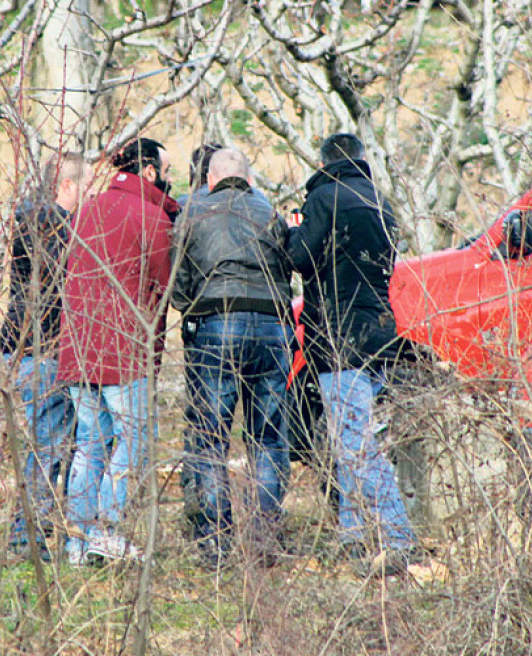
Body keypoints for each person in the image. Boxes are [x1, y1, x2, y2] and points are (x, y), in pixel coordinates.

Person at [286, 133, 418, 576]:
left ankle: (398, 537)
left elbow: (299, 257)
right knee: (351, 437)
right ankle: (353, 536)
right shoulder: (380, 202)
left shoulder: (324, 198)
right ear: (360, 159)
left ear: (325, 163)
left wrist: (292, 228)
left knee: (355, 442)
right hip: (378, 331)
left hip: (338, 336)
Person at [171, 148, 294, 568]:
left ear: (210, 178)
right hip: (273, 327)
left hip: (216, 326)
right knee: (268, 438)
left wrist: (195, 307)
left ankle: (216, 545)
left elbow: (178, 285)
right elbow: (286, 268)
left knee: (210, 441)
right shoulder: (269, 212)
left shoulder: (193, 212)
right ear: (249, 179)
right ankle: (265, 541)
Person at [55, 137, 174, 566]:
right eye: (165, 170)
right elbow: (165, 288)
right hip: (123, 353)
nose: (168, 179)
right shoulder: (152, 216)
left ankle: (76, 543)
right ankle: (106, 532)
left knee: (89, 445)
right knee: (132, 440)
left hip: (78, 348)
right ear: (149, 171)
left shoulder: (84, 212)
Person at [0, 152, 94, 561]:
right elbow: (60, 277)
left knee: (58, 443)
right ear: (67, 185)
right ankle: (25, 538)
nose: (92, 195)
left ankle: (40, 530)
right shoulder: (43, 223)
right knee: (49, 445)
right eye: (88, 185)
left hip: (44, 349)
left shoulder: (49, 221)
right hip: (40, 349)